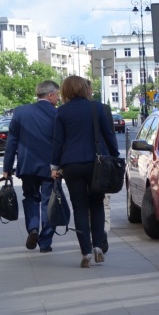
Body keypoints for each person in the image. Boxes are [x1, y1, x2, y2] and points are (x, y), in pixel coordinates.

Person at [49, 75, 118, 268]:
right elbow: (108, 134)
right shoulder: (96, 108)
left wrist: (54, 166)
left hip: (71, 165)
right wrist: (114, 156)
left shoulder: (61, 112)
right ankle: (98, 246)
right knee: (97, 204)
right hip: (96, 163)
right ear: (83, 88)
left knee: (79, 207)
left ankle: (86, 251)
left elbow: (58, 141)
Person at [1, 80, 60, 252]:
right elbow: (61, 142)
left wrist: (7, 168)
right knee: (49, 202)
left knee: (30, 198)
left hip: (27, 166)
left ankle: (33, 228)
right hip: (51, 168)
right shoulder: (57, 114)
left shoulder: (20, 112)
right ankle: (45, 242)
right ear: (50, 95)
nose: (58, 99)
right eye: (57, 95)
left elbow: (11, 142)